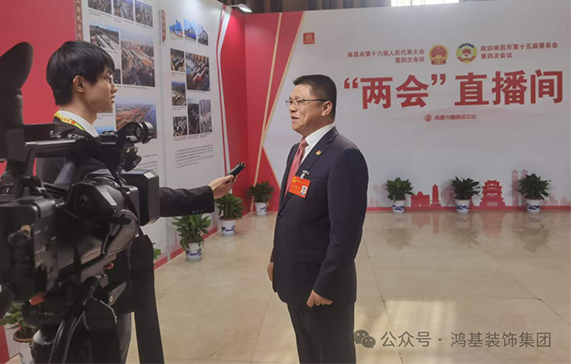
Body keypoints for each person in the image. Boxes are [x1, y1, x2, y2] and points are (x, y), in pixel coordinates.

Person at [37, 40, 235, 363]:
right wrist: (206, 193)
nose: (114, 87)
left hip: (103, 286)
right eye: (107, 78)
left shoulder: (74, 141)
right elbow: (130, 202)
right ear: (80, 84)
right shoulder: (70, 149)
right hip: (90, 296)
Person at [267, 74, 368, 364]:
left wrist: (326, 284)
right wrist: (277, 257)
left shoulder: (344, 155)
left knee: (333, 356)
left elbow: (345, 233)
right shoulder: (298, 150)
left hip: (321, 287)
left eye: (300, 101)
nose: (292, 108)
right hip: (295, 279)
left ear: (326, 107)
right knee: (309, 354)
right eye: (290, 101)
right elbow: (289, 211)